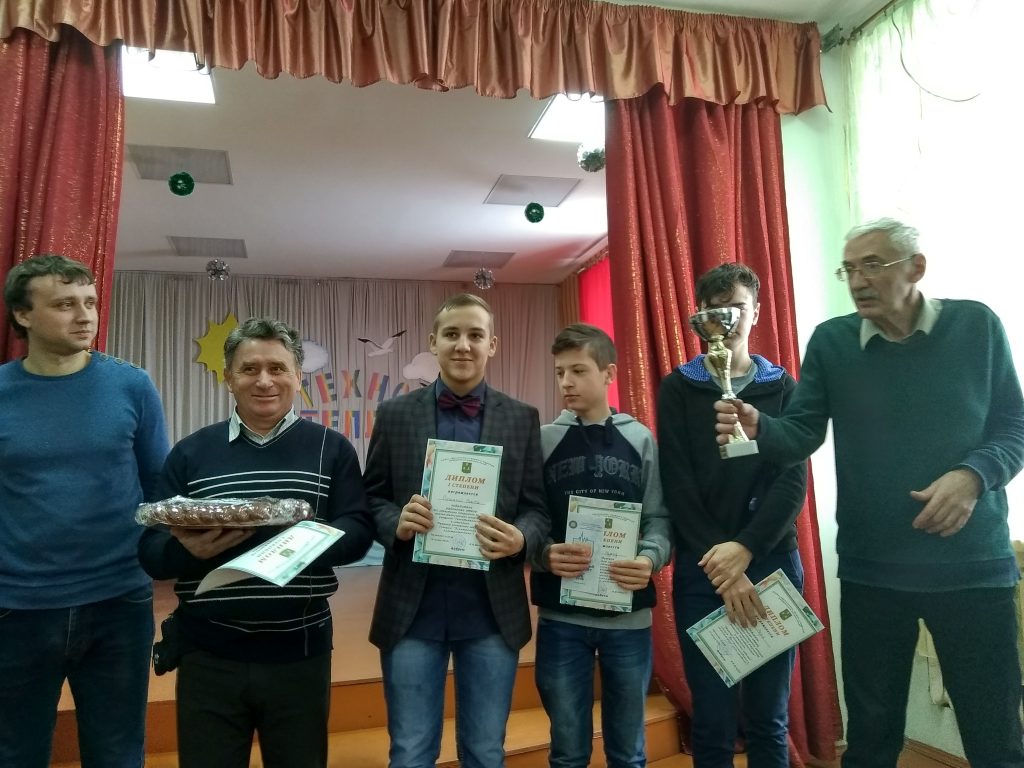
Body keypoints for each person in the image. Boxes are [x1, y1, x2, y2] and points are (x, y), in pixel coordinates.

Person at [715, 218, 1024, 768]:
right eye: (849, 269)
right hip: (873, 571)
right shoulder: (833, 341)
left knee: (995, 735)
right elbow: (801, 434)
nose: (858, 280)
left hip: (972, 568)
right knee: (871, 739)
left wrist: (974, 476)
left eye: (873, 265)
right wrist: (761, 427)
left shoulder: (976, 326)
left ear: (916, 268)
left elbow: (1014, 427)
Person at [138, 317, 374, 768]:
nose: (264, 380)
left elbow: (359, 531)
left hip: (300, 653)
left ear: (298, 376)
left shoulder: (331, 448)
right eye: (249, 369)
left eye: (277, 368)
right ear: (228, 376)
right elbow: (150, 552)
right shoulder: (191, 452)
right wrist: (184, 551)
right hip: (208, 654)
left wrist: (303, 543)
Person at [363, 292, 549, 768]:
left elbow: (537, 508)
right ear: (433, 342)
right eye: (451, 334)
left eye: (475, 335)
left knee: (486, 752)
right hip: (412, 609)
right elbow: (371, 497)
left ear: (492, 345)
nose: (463, 345)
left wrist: (521, 538)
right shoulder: (394, 414)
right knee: (409, 752)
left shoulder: (522, 417)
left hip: (491, 611)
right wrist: (396, 523)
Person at [0, 254, 169, 768]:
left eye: (90, 302)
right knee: (15, 752)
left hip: (119, 601)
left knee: (117, 753)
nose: (85, 316)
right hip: (17, 606)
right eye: (64, 304)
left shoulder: (131, 385)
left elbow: (158, 487)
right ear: (23, 315)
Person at [658, 263, 807, 768]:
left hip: (771, 561)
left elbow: (792, 482)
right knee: (713, 723)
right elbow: (678, 484)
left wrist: (745, 550)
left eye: (738, 308)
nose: (729, 319)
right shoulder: (679, 388)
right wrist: (724, 565)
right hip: (704, 569)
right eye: (716, 310)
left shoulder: (783, 388)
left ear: (756, 313)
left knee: (768, 720)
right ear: (701, 317)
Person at [530, 323, 672, 768]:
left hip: (627, 618)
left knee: (628, 753)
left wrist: (649, 558)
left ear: (609, 374)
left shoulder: (640, 438)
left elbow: (660, 519)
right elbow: (529, 520)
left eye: (578, 370)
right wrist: (543, 554)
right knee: (567, 751)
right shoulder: (543, 440)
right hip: (561, 618)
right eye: (560, 372)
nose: (566, 382)